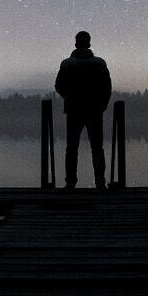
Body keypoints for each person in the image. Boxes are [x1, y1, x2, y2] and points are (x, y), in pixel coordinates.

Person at [54, 30, 113, 189]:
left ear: (75, 44)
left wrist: (70, 97)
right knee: (97, 148)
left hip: (74, 110)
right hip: (95, 111)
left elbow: (58, 86)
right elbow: (107, 88)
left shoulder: (66, 64)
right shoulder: (100, 63)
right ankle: (100, 182)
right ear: (89, 43)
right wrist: (102, 104)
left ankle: (70, 183)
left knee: (72, 148)